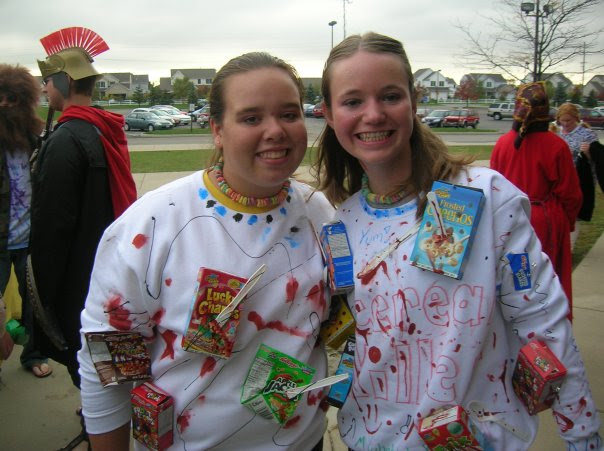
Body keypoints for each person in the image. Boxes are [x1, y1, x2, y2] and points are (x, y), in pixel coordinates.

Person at [315, 32, 601, 450]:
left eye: (390, 96)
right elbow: (346, 341)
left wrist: (584, 438)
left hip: (481, 439)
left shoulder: (485, 197)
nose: (373, 115)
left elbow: (544, 323)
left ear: (413, 100)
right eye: (353, 101)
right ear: (328, 113)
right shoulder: (341, 224)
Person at [77, 52, 334, 450]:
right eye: (251, 118)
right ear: (217, 129)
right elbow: (108, 366)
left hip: (303, 442)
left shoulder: (320, 212)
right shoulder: (151, 226)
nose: (276, 131)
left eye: (289, 114)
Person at [30, 26, 137, 389]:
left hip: (81, 271)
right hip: (107, 261)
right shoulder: (101, 128)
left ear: (62, 82)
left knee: (87, 358)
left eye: (47, 81)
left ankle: (101, 427)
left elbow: (52, 225)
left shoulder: (68, 139)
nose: (45, 90)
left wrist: (43, 287)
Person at [490, 83, 582, 319]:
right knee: (546, 282)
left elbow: (493, 187)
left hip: (509, 224)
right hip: (545, 224)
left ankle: (518, 333)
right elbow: (571, 195)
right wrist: (567, 224)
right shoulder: (556, 145)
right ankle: (547, 334)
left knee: (517, 281)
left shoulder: (502, 143)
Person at [0, 63, 51, 378]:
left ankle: (32, 354)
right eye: (0, 97)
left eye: (11, 98)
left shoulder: (36, 139)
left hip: (29, 237)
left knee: (34, 303)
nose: (4, 104)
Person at [555, 103, 600, 249]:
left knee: (575, 213)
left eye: (569, 120)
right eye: (563, 120)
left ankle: (569, 247)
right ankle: (560, 243)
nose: (566, 123)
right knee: (560, 211)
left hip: (579, 179)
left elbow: (598, 158)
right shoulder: (556, 133)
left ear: (576, 118)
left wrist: (588, 152)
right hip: (561, 179)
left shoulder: (587, 134)